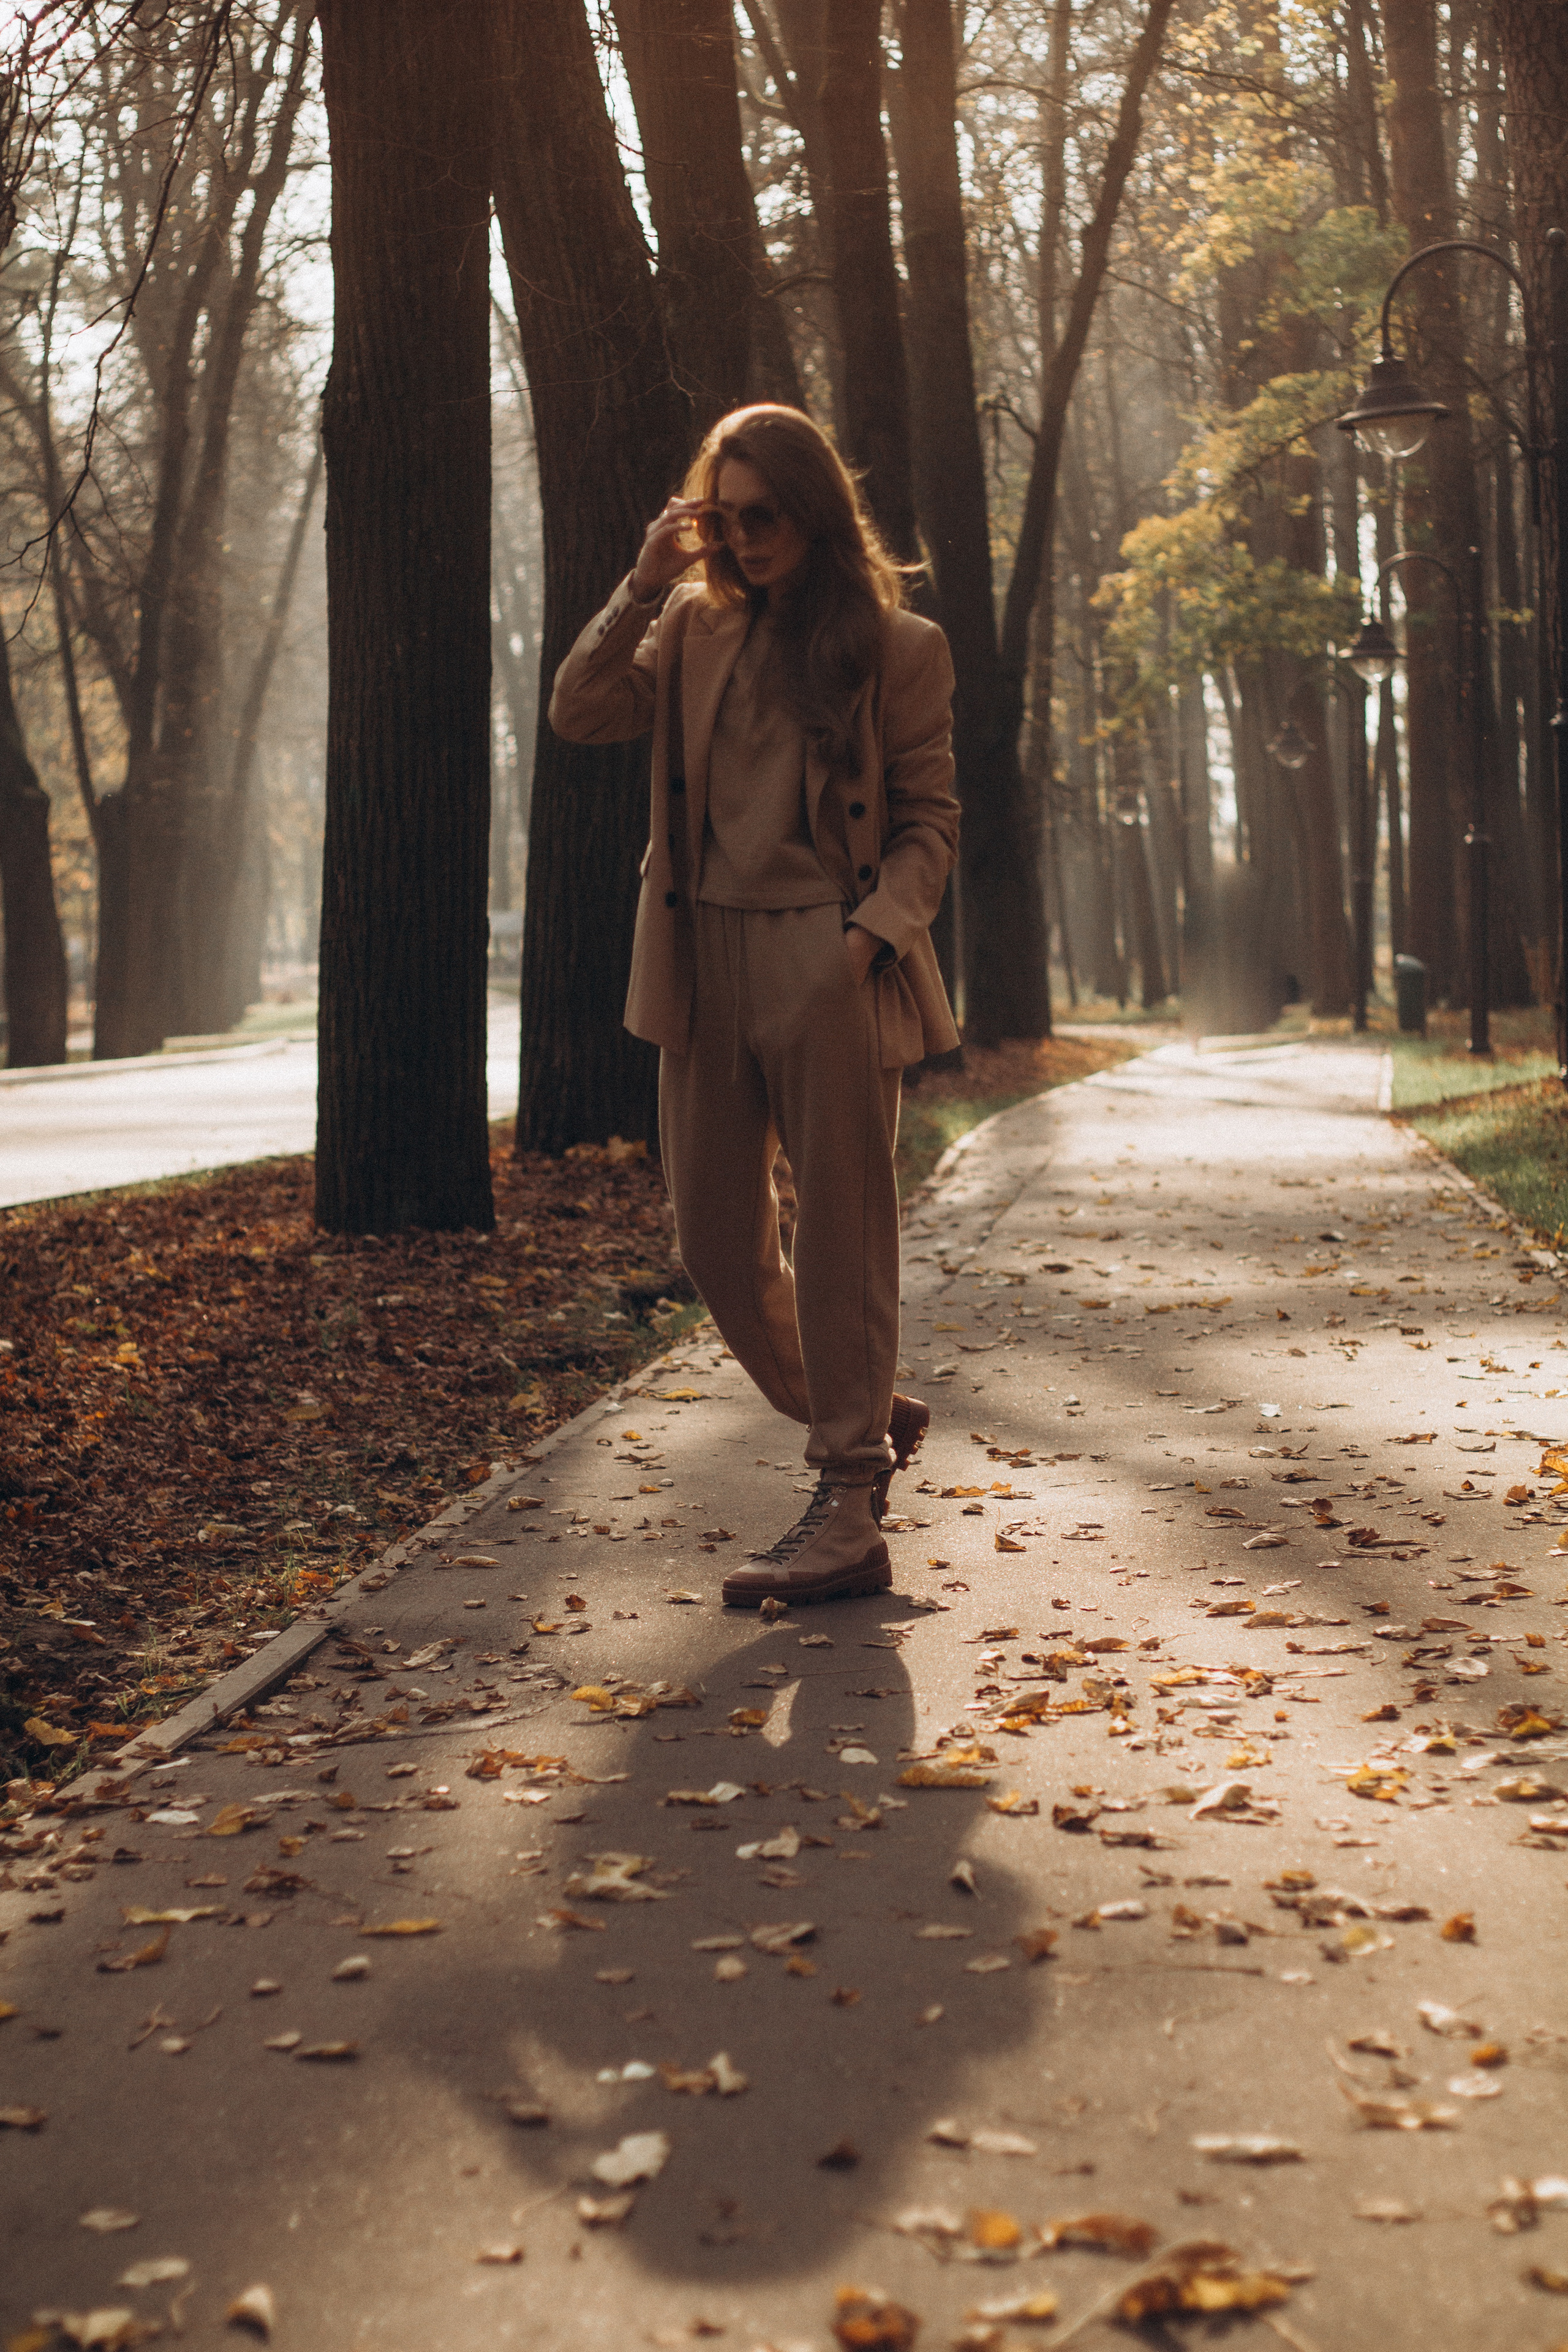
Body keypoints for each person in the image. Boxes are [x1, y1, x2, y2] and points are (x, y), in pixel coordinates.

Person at [549, 404, 960, 1607]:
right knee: (714, 1244)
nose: (739, 540)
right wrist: (639, 582)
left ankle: (844, 1497)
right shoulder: (687, 627)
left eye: (761, 516)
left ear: (813, 509)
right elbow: (581, 711)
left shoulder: (899, 647)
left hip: (826, 959)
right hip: (699, 956)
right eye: (721, 521)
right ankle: (860, 1413)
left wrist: (866, 938)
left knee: (840, 1236)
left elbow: (929, 823)